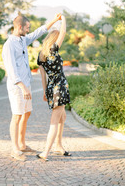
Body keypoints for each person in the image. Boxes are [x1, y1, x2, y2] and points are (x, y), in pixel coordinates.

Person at [2, 14, 62, 161]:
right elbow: (11, 70)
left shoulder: (23, 39)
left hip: (26, 84)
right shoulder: (9, 45)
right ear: (19, 27)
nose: (29, 30)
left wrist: (54, 20)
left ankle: (22, 144)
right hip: (17, 87)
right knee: (16, 116)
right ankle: (15, 149)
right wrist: (23, 87)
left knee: (26, 113)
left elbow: (38, 32)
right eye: (27, 27)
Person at [37, 14, 71, 161]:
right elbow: (63, 32)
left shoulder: (41, 55)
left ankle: (58, 145)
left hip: (52, 88)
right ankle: (46, 152)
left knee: (62, 116)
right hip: (60, 88)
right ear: (54, 39)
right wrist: (62, 19)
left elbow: (43, 76)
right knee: (55, 120)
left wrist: (45, 91)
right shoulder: (54, 50)